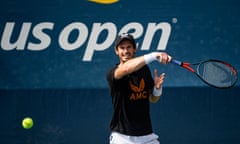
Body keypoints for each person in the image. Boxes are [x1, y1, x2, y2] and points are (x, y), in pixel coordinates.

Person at [106, 33, 171, 144]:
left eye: (129, 47)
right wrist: (155, 55)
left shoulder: (144, 70)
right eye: (122, 48)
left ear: (135, 49)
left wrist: (157, 89)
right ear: (116, 51)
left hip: (147, 135)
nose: (126, 51)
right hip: (122, 137)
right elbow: (126, 69)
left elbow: (153, 99)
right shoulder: (113, 73)